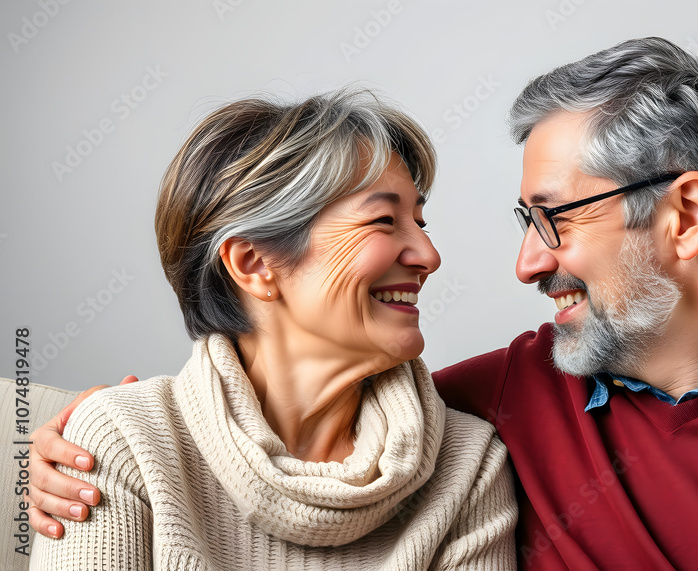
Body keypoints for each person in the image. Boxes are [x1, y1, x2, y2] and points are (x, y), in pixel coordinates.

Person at [29, 38, 698, 569]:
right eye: (522, 219)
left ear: (687, 214)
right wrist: (85, 430)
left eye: (554, 219)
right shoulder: (496, 404)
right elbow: (295, 410)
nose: (523, 264)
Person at [27, 89, 517, 570]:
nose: (429, 257)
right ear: (254, 263)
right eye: (385, 220)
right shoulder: (125, 442)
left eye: (420, 222)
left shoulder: (468, 465)